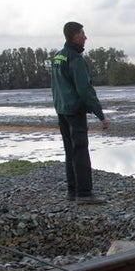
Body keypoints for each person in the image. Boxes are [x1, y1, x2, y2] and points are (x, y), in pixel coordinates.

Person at [50, 21, 109, 204]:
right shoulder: (75, 59)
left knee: (70, 151)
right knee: (81, 151)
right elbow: (85, 90)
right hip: (74, 111)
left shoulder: (58, 57)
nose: (85, 37)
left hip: (62, 110)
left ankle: (71, 191)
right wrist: (101, 114)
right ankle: (84, 193)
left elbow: (55, 86)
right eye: (82, 33)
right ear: (74, 36)